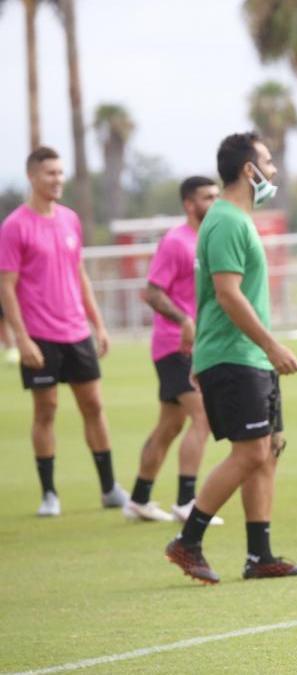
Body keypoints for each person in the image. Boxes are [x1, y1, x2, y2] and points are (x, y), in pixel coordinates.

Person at [164, 132, 297, 584]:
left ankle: (260, 556)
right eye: (267, 161)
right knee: (250, 452)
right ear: (248, 170)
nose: (274, 170)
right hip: (236, 355)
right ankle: (187, 541)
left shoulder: (235, 219)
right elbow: (227, 295)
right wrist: (272, 346)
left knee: (267, 450)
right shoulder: (228, 220)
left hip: (245, 355)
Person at [0, 146, 128, 517]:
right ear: (32, 177)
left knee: (94, 406)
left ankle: (109, 488)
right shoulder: (14, 227)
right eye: (49, 173)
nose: (57, 180)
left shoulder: (71, 219)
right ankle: (49, 494)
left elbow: (80, 275)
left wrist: (98, 323)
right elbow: (6, 286)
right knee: (46, 409)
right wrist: (21, 338)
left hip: (76, 332)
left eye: (59, 172)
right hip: (39, 335)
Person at [123, 177, 225, 525]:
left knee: (169, 426)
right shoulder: (175, 242)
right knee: (204, 417)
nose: (215, 201)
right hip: (175, 345)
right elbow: (152, 292)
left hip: (199, 345)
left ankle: (138, 498)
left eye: (217, 195)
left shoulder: (211, 239)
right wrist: (184, 320)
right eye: (207, 197)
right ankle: (186, 501)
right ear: (189, 204)